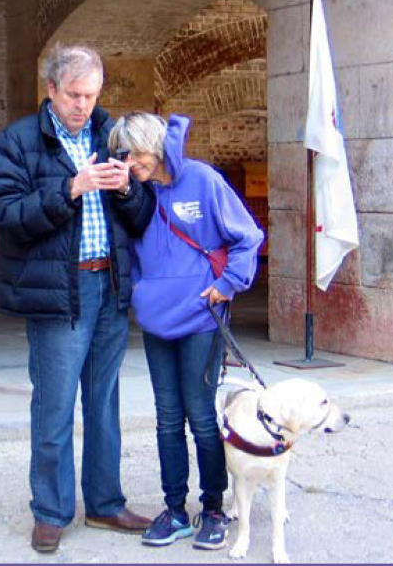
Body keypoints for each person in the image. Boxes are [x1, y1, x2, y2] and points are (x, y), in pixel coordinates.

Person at [0, 44, 156, 553]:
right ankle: (51, 512)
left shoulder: (112, 137)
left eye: (92, 94)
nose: (84, 104)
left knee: (104, 402)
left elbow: (142, 218)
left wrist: (128, 191)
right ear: (52, 90)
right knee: (55, 405)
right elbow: (8, 216)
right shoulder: (18, 141)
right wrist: (72, 188)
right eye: (75, 95)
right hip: (61, 289)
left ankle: (105, 504)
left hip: (109, 285)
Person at [107, 111, 264, 551]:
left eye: (135, 153)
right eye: (124, 153)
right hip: (158, 318)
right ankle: (174, 508)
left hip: (201, 316)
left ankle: (213, 508)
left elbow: (247, 236)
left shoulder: (202, 180)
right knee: (166, 417)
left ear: (154, 148)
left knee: (200, 414)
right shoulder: (135, 192)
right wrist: (140, 292)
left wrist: (226, 285)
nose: (130, 161)